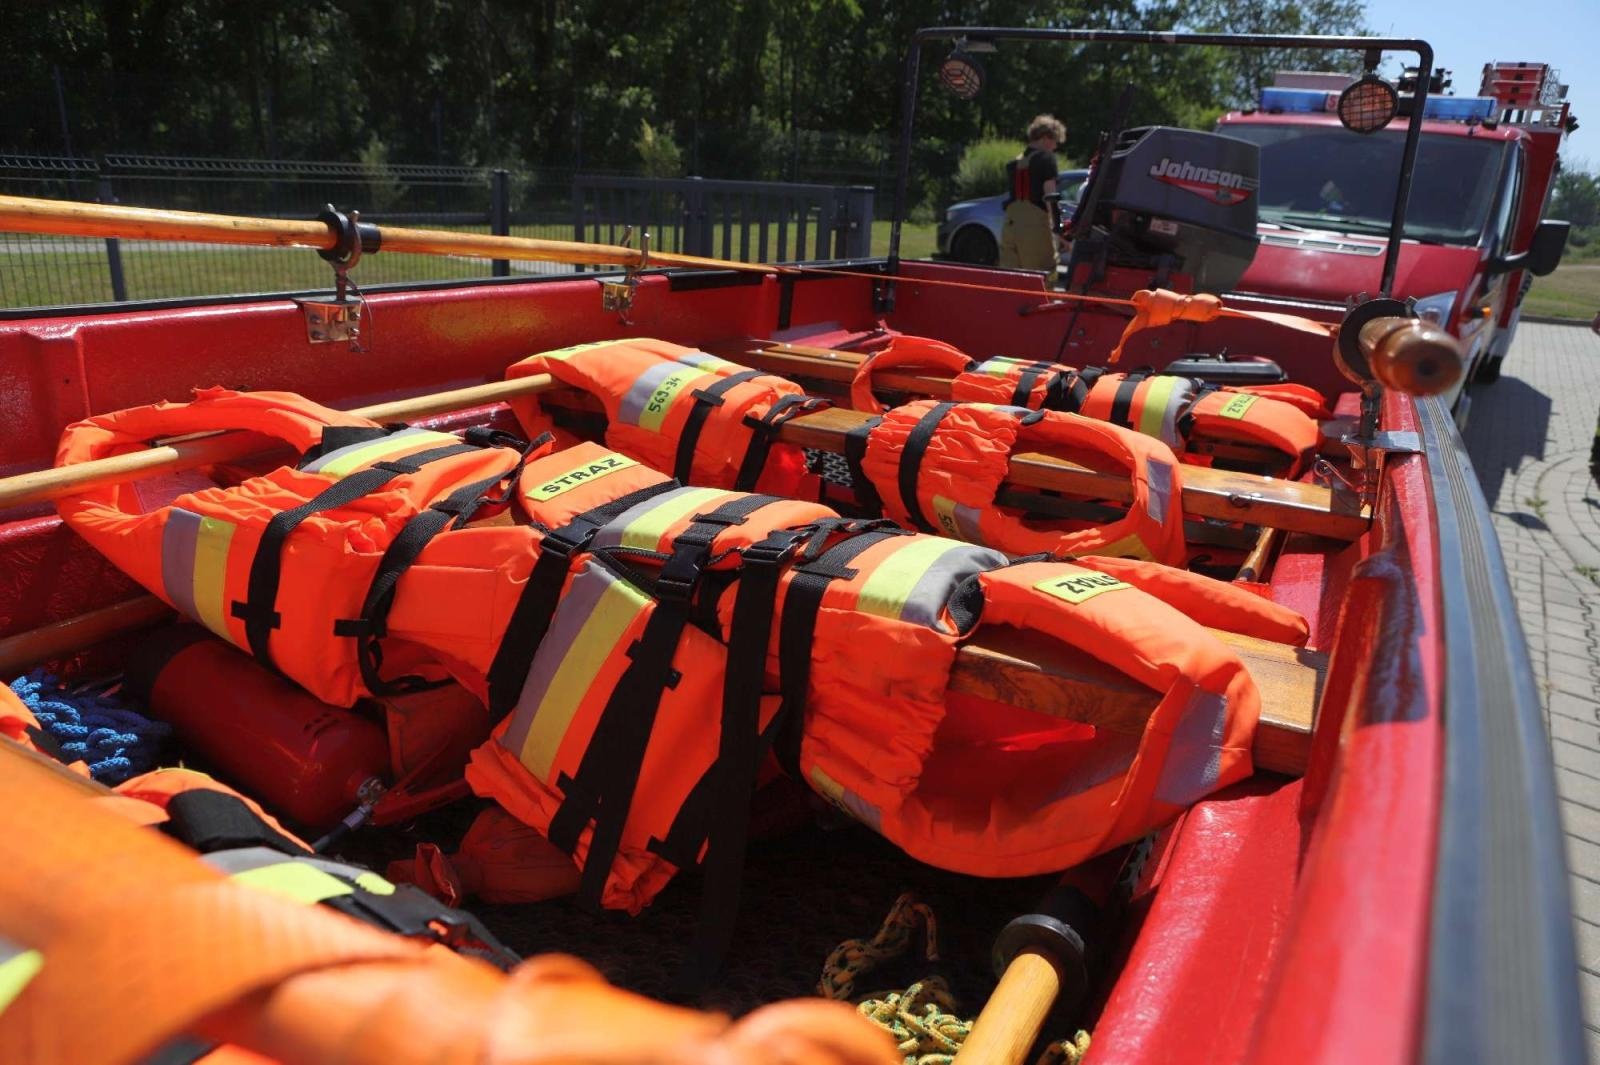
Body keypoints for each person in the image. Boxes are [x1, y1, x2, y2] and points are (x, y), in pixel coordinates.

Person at [999, 114, 1067, 279]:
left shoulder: (1013, 164)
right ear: (1045, 138)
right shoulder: (1046, 159)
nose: (1055, 147)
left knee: (1012, 280)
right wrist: (1061, 231)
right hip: (1034, 230)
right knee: (1043, 278)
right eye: (1055, 141)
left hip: (1010, 226)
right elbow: (1050, 196)